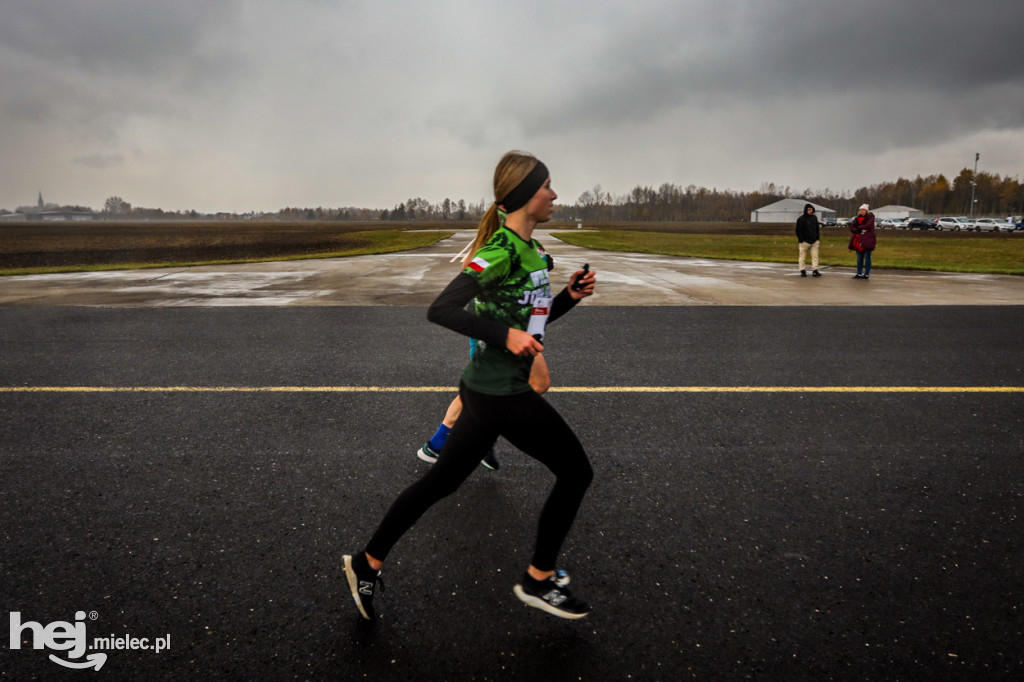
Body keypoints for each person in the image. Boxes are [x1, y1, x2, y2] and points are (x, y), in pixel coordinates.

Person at [344, 151, 597, 621]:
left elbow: (532, 326)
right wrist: (505, 336)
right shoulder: (498, 252)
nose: (556, 195)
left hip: (484, 391)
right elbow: (441, 309)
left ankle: (365, 562)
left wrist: (569, 297)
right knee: (577, 472)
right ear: (526, 196)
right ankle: (538, 580)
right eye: (548, 187)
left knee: (442, 480)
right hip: (500, 393)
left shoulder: (533, 254)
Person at [417, 351, 551, 470]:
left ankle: (443, 443)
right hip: (507, 332)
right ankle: (477, 437)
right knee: (537, 383)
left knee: (489, 384)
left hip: (511, 331)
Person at [849, 204, 876, 279]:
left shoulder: (870, 217)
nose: (862, 211)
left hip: (867, 240)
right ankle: (859, 273)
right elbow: (852, 228)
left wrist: (858, 228)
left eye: (863, 210)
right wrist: (860, 229)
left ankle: (866, 274)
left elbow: (868, 225)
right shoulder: (857, 218)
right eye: (861, 210)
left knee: (867, 257)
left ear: (866, 211)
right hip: (858, 240)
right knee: (859, 257)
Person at [795, 203, 821, 277]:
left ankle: (815, 270)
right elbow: (798, 231)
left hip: (814, 241)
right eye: (809, 209)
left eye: (812, 209)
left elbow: (817, 229)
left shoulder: (814, 218)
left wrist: (817, 239)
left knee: (815, 256)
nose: (811, 211)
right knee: (802, 257)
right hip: (804, 242)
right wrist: (801, 240)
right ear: (806, 210)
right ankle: (802, 270)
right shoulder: (800, 219)